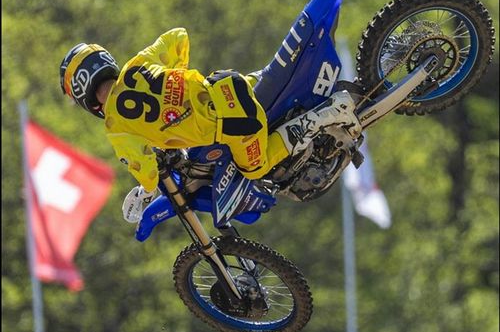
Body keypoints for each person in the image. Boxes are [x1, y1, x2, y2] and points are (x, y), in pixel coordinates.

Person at [60, 28, 361, 222]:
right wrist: (176, 86)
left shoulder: (116, 126)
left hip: (234, 123)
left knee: (255, 167)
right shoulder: (137, 65)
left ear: (83, 94)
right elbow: (178, 36)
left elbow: (146, 170)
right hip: (228, 83)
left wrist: (145, 194)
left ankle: (327, 114)